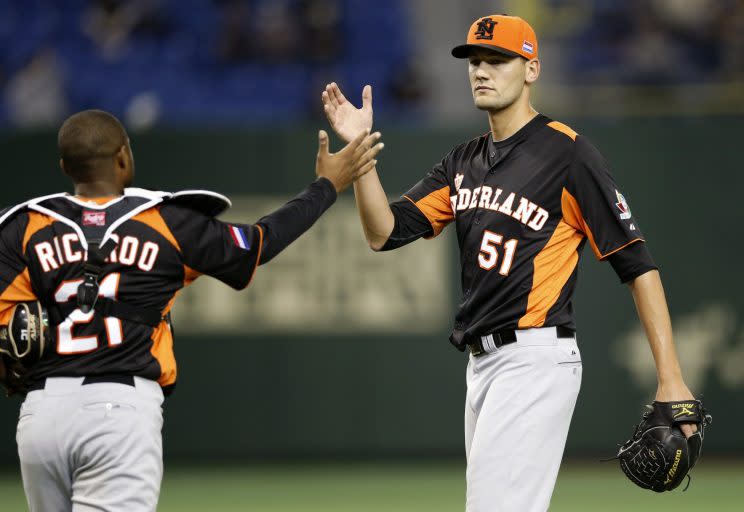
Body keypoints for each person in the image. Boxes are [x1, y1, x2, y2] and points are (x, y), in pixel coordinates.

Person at [321, 14, 697, 512]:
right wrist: (360, 153)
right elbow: (383, 233)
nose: (482, 69)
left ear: (531, 69)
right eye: (475, 60)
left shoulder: (570, 154)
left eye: (498, 60)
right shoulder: (462, 162)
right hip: (483, 367)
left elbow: (637, 266)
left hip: (534, 360)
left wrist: (671, 377)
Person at [0, 109, 383, 511]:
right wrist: (327, 184)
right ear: (124, 157)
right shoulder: (166, 221)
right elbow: (260, 243)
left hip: (42, 416)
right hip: (118, 413)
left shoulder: (22, 227)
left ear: (64, 167)